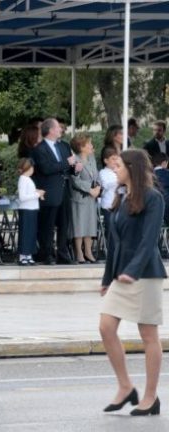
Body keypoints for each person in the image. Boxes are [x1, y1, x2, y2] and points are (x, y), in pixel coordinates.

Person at [99, 149, 166, 416]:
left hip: (145, 274)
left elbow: (150, 240)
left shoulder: (153, 197)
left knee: (148, 335)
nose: (115, 170)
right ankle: (126, 387)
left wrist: (133, 270)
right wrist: (108, 278)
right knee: (106, 327)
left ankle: (150, 397)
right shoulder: (121, 198)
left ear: (132, 168)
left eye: (119, 166)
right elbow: (115, 243)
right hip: (121, 274)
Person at [31, 117, 81, 265]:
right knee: (48, 225)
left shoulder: (64, 146)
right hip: (50, 191)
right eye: (58, 127)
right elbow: (46, 168)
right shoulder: (39, 149)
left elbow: (68, 167)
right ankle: (47, 255)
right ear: (51, 130)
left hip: (65, 190)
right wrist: (67, 163)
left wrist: (75, 169)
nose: (61, 129)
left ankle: (63, 254)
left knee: (64, 224)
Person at [70, 134, 101, 264]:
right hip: (80, 197)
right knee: (79, 225)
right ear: (81, 147)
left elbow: (97, 174)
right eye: (89, 143)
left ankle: (88, 251)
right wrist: (90, 189)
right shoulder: (74, 160)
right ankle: (79, 252)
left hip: (92, 197)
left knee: (90, 225)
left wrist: (98, 188)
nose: (91, 146)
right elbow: (75, 180)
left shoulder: (91, 158)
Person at [16, 158, 44, 266]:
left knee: (31, 233)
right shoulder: (23, 179)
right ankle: (23, 255)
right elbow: (22, 197)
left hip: (32, 208)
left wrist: (36, 192)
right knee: (26, 232)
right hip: (26, 209)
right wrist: (37, 194)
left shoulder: (27, 179)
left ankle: (28, 254)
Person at [98, 147, 120, 240]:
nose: (115, 161)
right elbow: (105, 185)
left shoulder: (119, 171)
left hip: (119, 205)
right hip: (108, 206)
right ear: (106, 160)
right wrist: (119, 180)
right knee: (111, 231)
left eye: (116, 158)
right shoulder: (103, 172)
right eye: (113, 159)